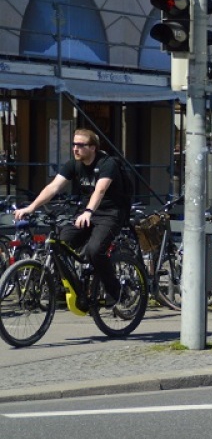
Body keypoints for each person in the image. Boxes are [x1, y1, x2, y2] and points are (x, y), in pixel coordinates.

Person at [14, 128, 129, 307]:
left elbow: (100, 190)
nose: (75, 148)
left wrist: (89, 212)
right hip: (86, 213)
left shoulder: (107, 163)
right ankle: (63, 288)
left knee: (94, 250)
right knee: (61, 244)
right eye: (74, 144)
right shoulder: (73, 164)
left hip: (110, 213)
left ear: (93, 148)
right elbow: (53, 188)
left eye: (80, 145)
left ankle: (116, 291)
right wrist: (31, 207)